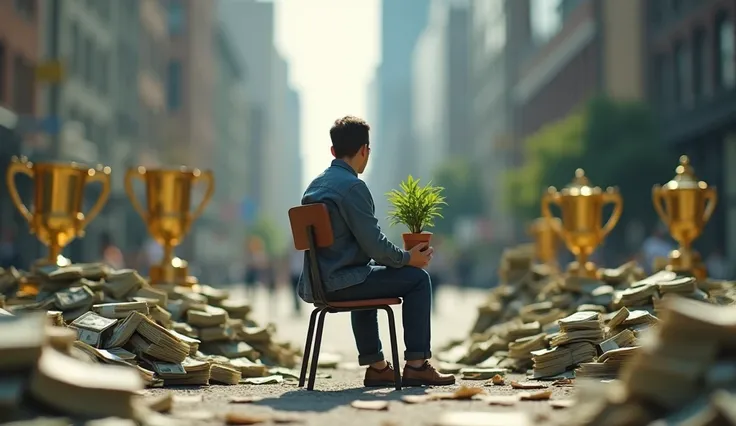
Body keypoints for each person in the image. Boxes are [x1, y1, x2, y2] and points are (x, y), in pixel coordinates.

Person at [298, 116, 455, 387]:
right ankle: (417, 365)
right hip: (343, 283)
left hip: (320, 284)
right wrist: (409, 258)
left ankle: (378, 368)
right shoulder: (353, 187)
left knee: (366, 274)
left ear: (333, 151)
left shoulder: (314, 187)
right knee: (418, 280)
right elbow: (375, 245)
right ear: (364, 151)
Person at [289, 249, 303, 315]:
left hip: (300, 274)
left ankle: (299, 307)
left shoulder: (302, 252)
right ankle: (297, 307)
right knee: (294, 293)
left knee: (299, 292)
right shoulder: (291, 252)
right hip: (293, 274)